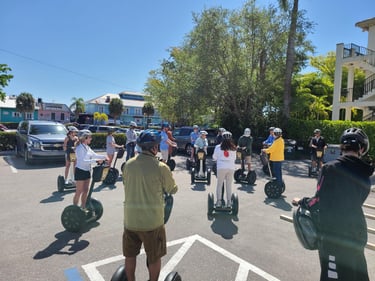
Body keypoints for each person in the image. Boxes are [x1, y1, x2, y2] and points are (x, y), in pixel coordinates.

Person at [292, 127, 373, 281]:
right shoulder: (366, 174)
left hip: (334, 234)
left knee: (333, 276)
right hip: (358, 232)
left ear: (342, 147)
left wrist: (302, 201)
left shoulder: (329, 169)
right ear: (361, 149)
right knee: (357, 273)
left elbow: (319, 199)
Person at [122, 129, 178, 281]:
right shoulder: (161, 167)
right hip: (152, 222)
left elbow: (125, 183)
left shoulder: (128, 164)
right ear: (154, 148)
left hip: (130, 220)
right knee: (154, 257)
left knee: (130, 255)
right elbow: (172, 189)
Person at [74, 130, 108, 210]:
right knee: (79, 191)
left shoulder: (87, 147)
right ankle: (74, 209)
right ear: (85, 138)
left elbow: (94, 155)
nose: (91, 139)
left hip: (87, 171)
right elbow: (83, 161)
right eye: (90, 137)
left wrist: (104, 157)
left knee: (86, 190)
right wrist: (96, 161)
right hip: (80, 171)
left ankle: (83, 207)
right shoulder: (79, 148)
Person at [212, 131, 237, 207]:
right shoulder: (233, 148)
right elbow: (235, 158)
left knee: (219, 185)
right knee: (228, 185)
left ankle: (219, 202)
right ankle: (229, 202)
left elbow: (214, 157)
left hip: (221, 167)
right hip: (231, 168)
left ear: (222, 138)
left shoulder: (218, 147)